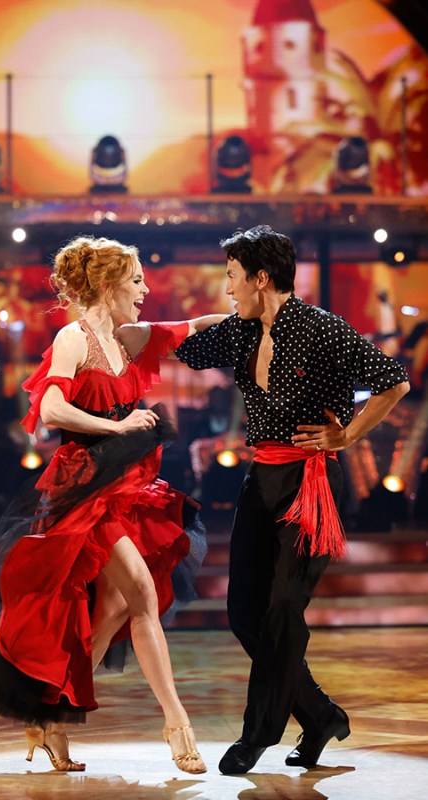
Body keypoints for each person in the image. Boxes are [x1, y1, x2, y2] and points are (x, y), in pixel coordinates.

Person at [0, 235, 225, 775]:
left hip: (129, 488)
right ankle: (177, 723)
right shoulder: (74, 338)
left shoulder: (127, 338)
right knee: (141, 593)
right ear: (108, 285)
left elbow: (191, 328)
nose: (145, 289)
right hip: (86, 489)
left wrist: (245, 310)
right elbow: (53, 410)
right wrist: (117, 424)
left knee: (114, 608)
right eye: (136, 280)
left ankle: (49, 720)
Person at [175, 225, 410, 774]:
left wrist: (347, 434)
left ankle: (256, 736)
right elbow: (184, 346)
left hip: (308, 487)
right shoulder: (241, 331)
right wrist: (114, 323)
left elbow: (392, 381)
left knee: (283, 611)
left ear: (262, 278)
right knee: (243, 614)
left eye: (233, 277)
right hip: (260, 484)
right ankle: (321, 715)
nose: (228, 288)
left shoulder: (320, 328)